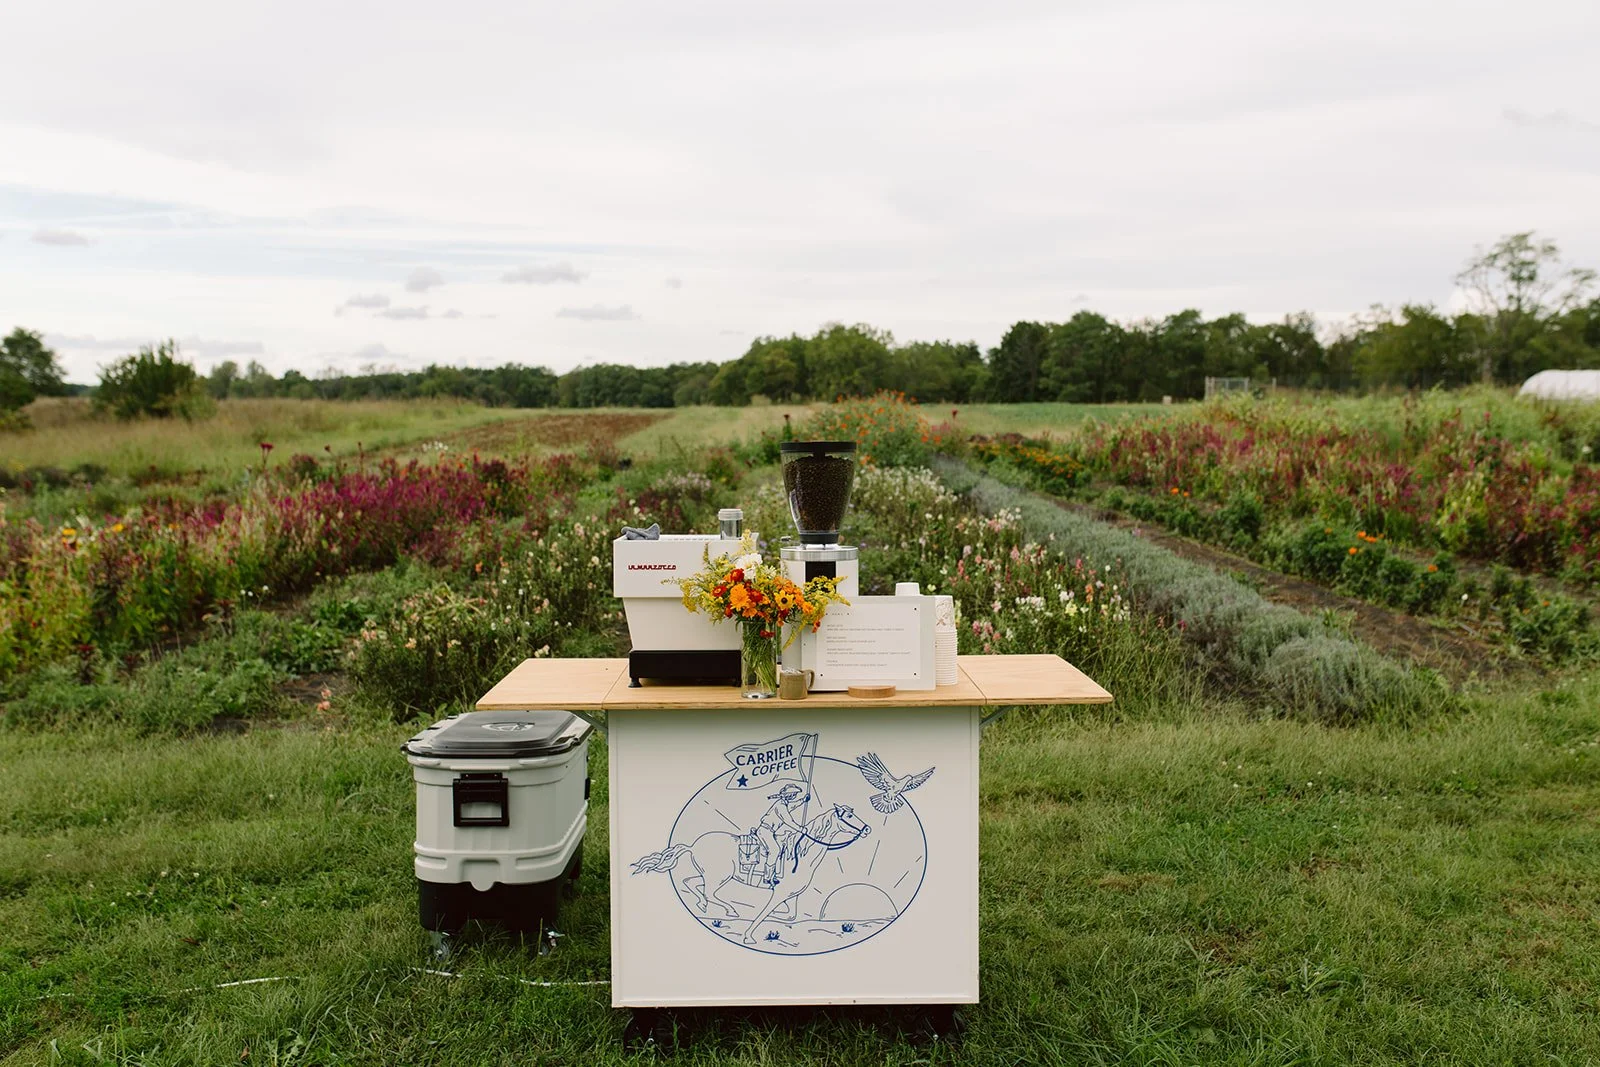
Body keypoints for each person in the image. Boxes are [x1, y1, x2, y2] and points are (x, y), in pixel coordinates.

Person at [756, 783, 808, 883]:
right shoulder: (780, 806)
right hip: (765, 831)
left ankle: (772, 875)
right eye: (794, 795)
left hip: (770, 832)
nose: (795, 797)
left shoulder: (783, 804)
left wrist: (802, 801)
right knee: (775, 851)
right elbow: (788, 820)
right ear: (790, 795)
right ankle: (767, 878)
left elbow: (792, 806)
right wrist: (801, 829)